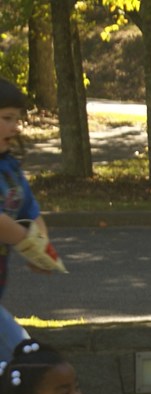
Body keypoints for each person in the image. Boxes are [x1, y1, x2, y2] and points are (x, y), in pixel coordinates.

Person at [0, 79, 58, 363]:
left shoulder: (9, 169)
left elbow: (30, 212)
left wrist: (42, 249)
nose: (15, 127)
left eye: (17, 119)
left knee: (22, 363)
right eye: (6, 118)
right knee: (25, 364)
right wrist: (28, 244)